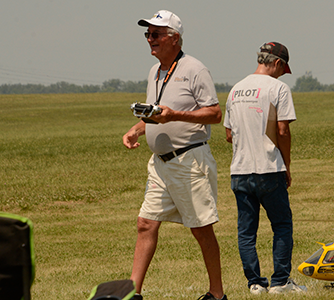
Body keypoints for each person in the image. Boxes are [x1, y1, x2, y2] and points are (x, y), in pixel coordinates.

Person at [122, 10, 226, 300]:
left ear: (174, 38)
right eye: (148, 34)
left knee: (201, 230)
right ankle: (134, 292)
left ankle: (217, 295)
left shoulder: (195, 69)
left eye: (156, 34)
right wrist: (136, 129)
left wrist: (175, 116)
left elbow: (215, 114)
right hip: (159, 164)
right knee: (145, 223)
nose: (149, 40)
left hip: (189, 161)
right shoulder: (154, 72)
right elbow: (157, 113)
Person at [223, 42, 306, 295]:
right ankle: (280, 282)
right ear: (278, 63)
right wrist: (287, 165)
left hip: (240, 170)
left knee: (246, 230)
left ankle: (255, 284)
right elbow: (282, 130)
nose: (283, 74)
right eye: (283, 68)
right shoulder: (278, 88)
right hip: (270, 168)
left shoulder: (235, 89)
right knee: (281, 225)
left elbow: (228, 135)